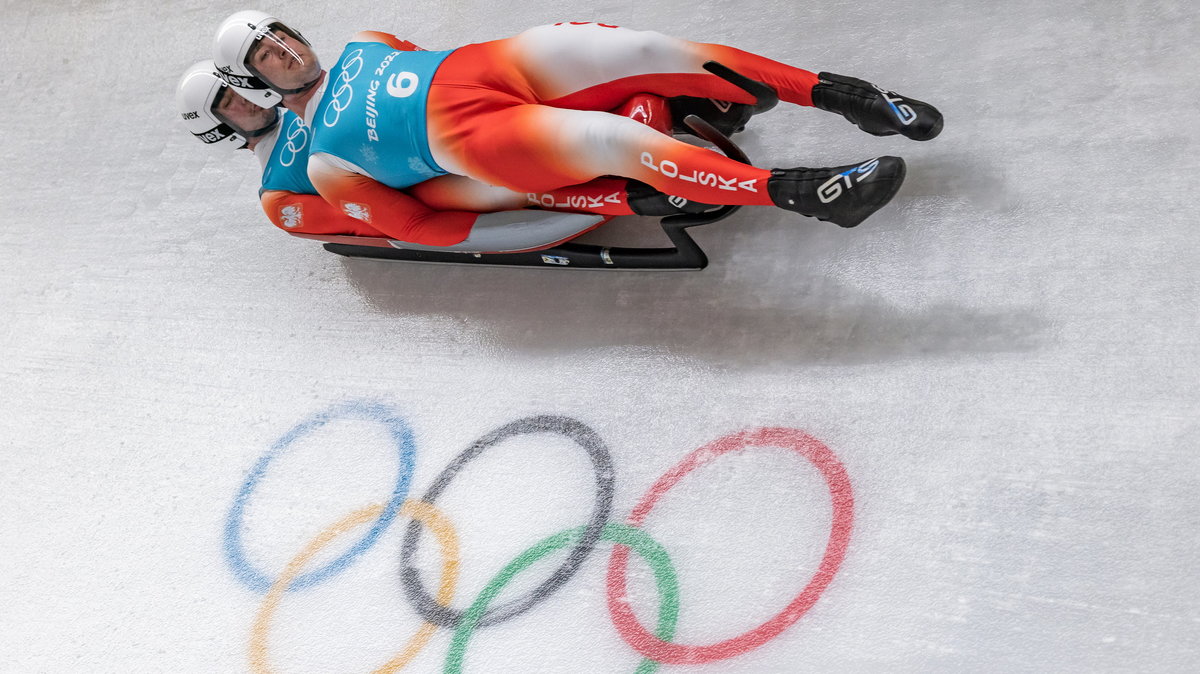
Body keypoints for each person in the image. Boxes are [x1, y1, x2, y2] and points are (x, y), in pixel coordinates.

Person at [213, 14, 942, 249]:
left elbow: (422, 59)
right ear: (254, 83)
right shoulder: (327, 168)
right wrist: (544, 218)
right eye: (264, 56)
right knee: (616, 143)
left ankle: (847, 95)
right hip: (489, 138)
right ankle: (805, 192)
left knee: (651, 50)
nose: (282, 51)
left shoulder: (368, 38)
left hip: (502, 64)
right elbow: (425, 228)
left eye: (278, 35)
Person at [176, 58, 709, 250]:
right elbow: (370, 221)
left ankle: (636, 107)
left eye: (237, 85)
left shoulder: (304, 96)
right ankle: (624, 189)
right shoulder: (277, 197)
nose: (245, 99)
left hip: (434, 133)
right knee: (469, 176)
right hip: (420, 183)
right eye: (229, 101)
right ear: (217, 127)